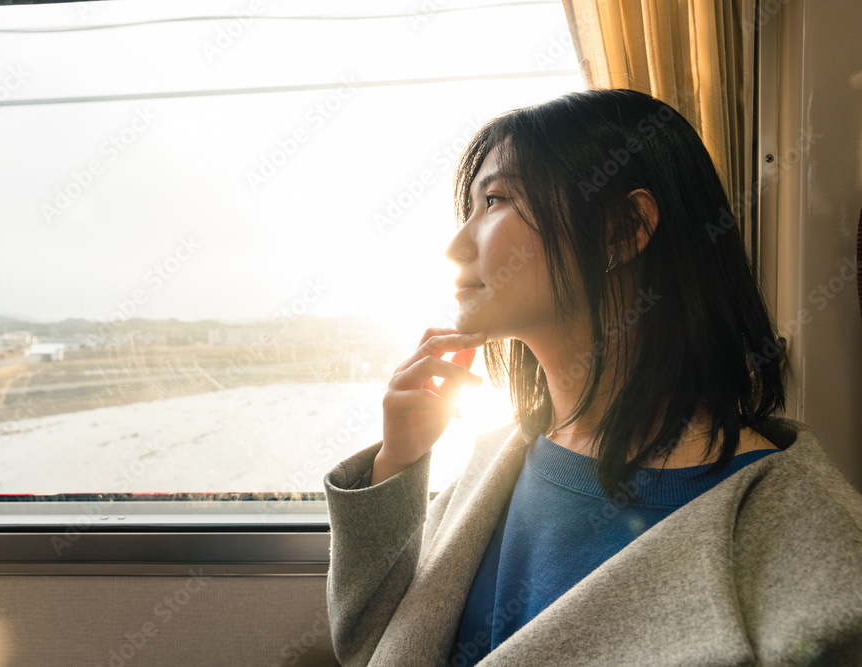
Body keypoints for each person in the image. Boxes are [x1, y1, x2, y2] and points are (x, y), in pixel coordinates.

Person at [324, 89, 862, 666]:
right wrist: (399, 462)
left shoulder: (815, 548)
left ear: (624, 229)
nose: (457, 246)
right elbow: (370, 649)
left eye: (496, 199)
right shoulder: (495, 464)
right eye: (470, 209)